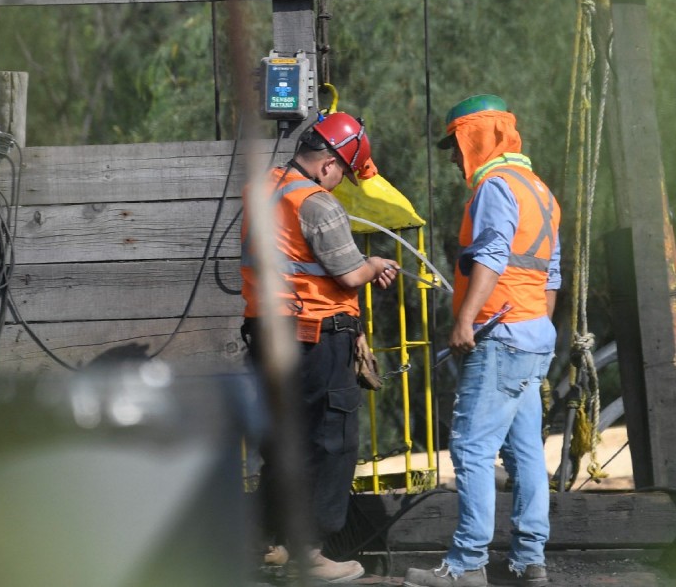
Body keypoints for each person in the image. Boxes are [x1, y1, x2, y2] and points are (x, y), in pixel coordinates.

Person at [404, 95, 561, 587]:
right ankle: (529, 560)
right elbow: (550, 275)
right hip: (535, 337)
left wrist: (465, 320)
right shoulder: (539, 189)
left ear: (477, 136)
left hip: (500, 337)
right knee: (526, 452)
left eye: (454, 143)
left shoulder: (495, 185)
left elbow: (493, 254)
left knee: (471, 449)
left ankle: (467, 564)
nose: (452, 156)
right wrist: (535, 327)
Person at [240, 111, 399, 583]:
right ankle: (308, 553)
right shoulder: (316, 202)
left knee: (282, 442)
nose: (339, 183)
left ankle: (268, 543)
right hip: (315, 340)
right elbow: (348, 274)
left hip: (265, 337)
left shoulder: (263, 188)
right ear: (330, 164)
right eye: (343, 174)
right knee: (332, 441)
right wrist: (374, 265)